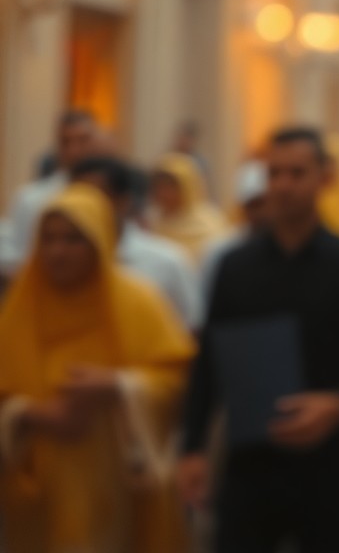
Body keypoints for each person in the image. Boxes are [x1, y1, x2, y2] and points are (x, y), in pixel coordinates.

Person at [177, 127, 339, 553]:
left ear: (324, 179)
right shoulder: (235, 267)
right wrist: (193, 446)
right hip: (252, 458)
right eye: (274, 174)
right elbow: (210, 359)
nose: (283, 185)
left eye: (296, 173)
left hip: (332, 458)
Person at [0, 185, 196, 553]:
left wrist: (119, 386)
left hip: (120, 490)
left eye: (74, 239)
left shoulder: (139, 304)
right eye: (49, 239)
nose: (58, 251)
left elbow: (179, 379)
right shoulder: (17, 312)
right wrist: (35, 415)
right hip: (38, 494)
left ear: (100, 242)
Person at [70, 156, 202, 329]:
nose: (85, 206)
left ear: (123, 201)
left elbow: (190, 327)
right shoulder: (59, 262)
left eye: (96, 196)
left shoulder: (168, 262)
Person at [0, 110, 102, 275]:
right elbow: (17, 255)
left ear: (97, 142)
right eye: (65, 142)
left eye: (83, 140)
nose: (74, 150)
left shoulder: (111, 195)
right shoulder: (30, 199)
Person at [199, 159, 270, 299]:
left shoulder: (292, 248)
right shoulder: (221, 250)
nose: (262, 212)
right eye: (253, 205)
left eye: (265, 203)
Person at [147, 152, 230, 264]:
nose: (163, 193)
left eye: (170, 186)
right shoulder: (152, 222)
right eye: (158, 186)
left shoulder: (210, 224)